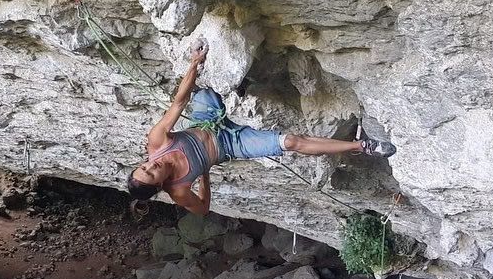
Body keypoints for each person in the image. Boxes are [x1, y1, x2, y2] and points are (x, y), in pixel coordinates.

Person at [127, 42, 395, 216]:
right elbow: (203, 209)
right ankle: (363, 146)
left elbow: (179, 102)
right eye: (152, 173)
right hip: (231, 145)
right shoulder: (179, 191)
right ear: (161, 184)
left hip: (206, 117)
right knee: (290, 142)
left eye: (145, 166)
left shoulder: (157, 142)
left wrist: (194, 64)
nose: (152, 165)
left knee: (206, 84)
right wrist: (204, 176)